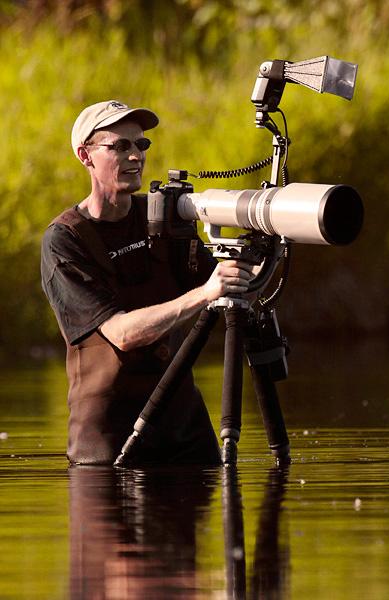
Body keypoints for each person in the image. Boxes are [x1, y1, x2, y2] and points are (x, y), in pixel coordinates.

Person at [41, 100, 254, 466]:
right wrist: (205, 294)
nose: (135, 156)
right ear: (85, 156)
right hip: (109, 438)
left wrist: (255, 257)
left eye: (141, 145)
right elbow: (121, 333)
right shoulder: (65, 240)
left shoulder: (162, 217)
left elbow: (229, 284)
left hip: (181, 426)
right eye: (120, 146)